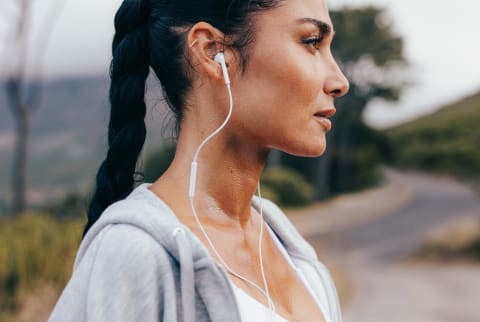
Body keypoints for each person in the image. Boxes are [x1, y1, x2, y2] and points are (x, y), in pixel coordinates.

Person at [48, 0, 349, 321]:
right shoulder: (136, 252)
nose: (339, 81)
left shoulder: (286, 246)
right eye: (311, 42)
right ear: (212, 51)